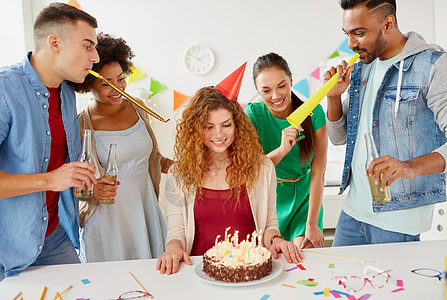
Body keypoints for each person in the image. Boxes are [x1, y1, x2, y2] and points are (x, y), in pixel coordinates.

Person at [156, 68, 304, 275]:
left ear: (237, 125)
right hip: (199, 272)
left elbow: (269, 225)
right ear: (196, 129)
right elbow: (176, 230)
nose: (219, 134)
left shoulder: (262, 169)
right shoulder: (178, 174)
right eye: (208, 127)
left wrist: (277, 240)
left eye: (226, 125)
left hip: (249, 272)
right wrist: (172, 249)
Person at [324, 0, 447, 246]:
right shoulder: (362, 69)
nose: (351, 44)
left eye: (359, 33)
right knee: (336, 283)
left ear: (388, 23)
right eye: (347, 34)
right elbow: (339, 138)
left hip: (397, 219)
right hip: (353, 213)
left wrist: (409, 166)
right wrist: (334, 96)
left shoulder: (432, 65)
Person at [0, 3, 99, 283]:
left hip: (55, 236)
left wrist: (81, 181)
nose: (96, 57)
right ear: (54, 42)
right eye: (88, 46)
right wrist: (50, 180)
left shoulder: (67, 94)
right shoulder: (2, 90)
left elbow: (60, 167)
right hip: (5, 249)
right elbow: (52, 177)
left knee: (86, 290)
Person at [71, 33, 173, 262]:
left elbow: (152, 158)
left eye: (120, 78)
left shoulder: (139, 108)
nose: (117, 87)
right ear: (88, 85)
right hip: (107, 218)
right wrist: (91, 190)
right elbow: (71, 178)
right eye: (105, 83)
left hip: (145, 207)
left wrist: (183, 166)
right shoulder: (80, 123)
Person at [245, 53, 328, 249]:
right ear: (257, 90)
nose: (275, 96)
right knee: (275, 262)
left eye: (281, 86)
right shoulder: (253, 115)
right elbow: (253, 170)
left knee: (305, 258)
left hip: (305, 199)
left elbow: (319, 171)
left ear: (291, 80)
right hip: (270, 199)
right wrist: (282, 150)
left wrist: (312, 223)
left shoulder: (313, 111)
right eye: (266, 90)